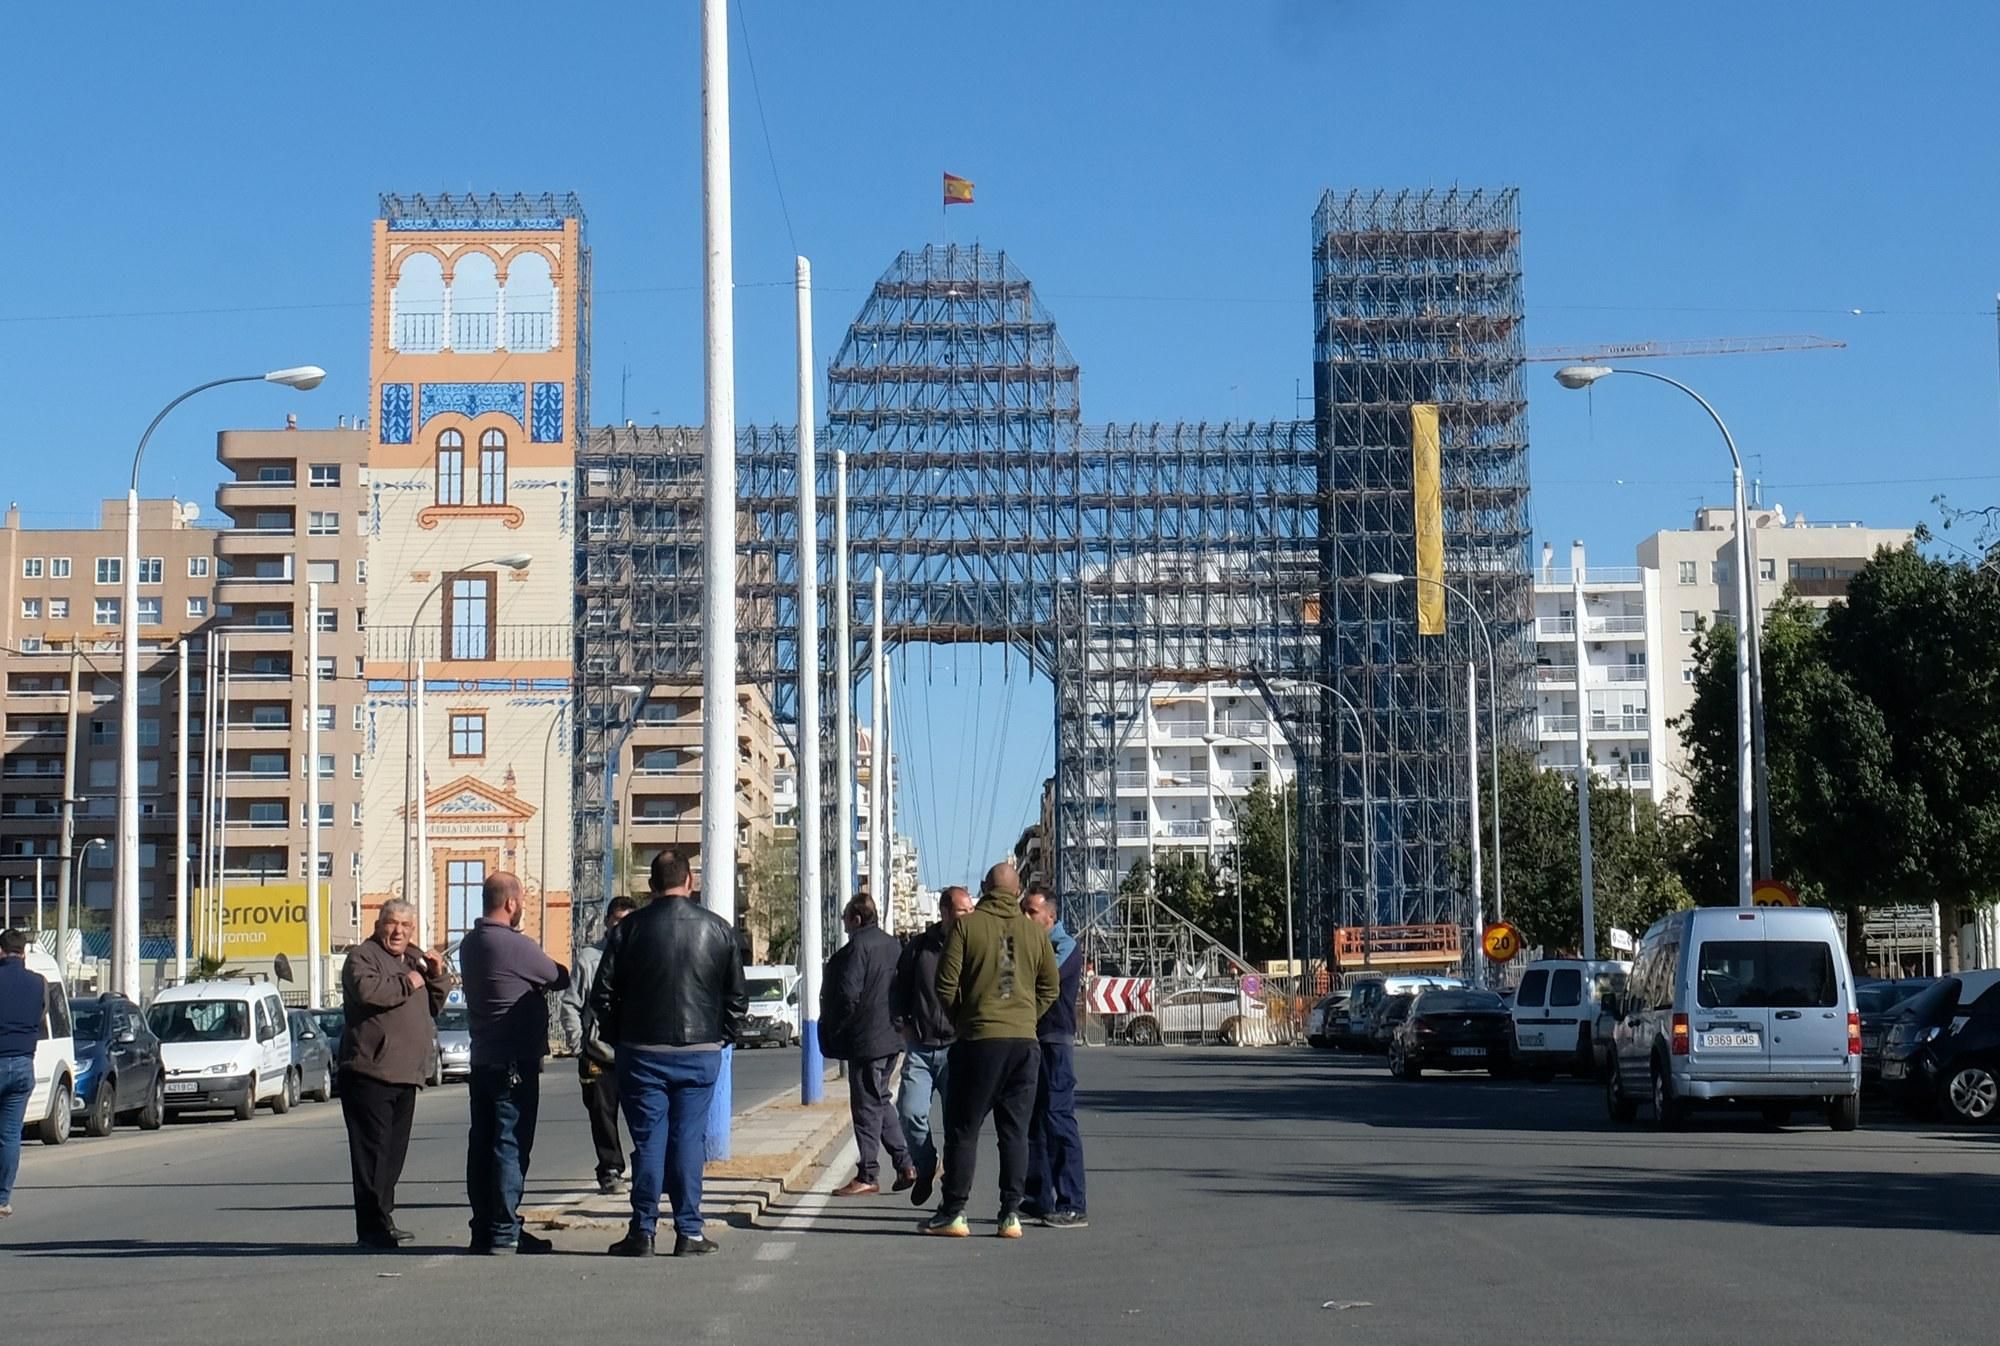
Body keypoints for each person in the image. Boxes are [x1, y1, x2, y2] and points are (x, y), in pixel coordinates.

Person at [591, 851, 747, 1258]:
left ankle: (642, 1231)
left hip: (642, 1051)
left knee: (648, 1142)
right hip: (700, 1051)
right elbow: (736, 997)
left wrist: (619, 1036)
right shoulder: (718, 930)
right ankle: (689, 1231)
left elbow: (601, 995)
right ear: (690, 881)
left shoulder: (628, 930)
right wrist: (723, 1036)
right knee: (688, 1141)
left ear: (651, 885)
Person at [922, 862, 1059, 1239]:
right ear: (1017, 893)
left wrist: (963, 1020)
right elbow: (1051, 987)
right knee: (1014, 1132)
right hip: (1025, 1044)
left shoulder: (967, 927)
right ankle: (1010, 1214)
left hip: (979, 1042)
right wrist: (1027, 1016)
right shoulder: (1034, 934)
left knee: (964, 1129)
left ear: (985, 888)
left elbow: (945, 985)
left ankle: (954, 1211)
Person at [459, 871, 569, 1254]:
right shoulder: (511, 944)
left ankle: (484, 1227)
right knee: (510, 1144)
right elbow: (559, 977)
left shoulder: (471, 943)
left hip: (484, 1058)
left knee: (483, 1143)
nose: (521, 907)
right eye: (520, 900)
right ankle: (505, 1230)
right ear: (510, 903)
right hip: (514, 1064)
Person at [338, 900, 450, 1250]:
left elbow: (435, 1003)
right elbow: (372, 992)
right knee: (372, 1155)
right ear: (378, 924)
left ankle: (384, 1219)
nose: (398, 931)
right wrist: (412, 979)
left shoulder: (414, 958)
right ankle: (371, 1229)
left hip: (406, 1074)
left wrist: (436, 974)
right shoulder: (362, 957)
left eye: (405, 925)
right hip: (370, 1073)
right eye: (391, 923)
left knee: (392, 1155)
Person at [821, 894, 916, 1198]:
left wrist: (838, 1028)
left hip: (866, 1041)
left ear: (857, 919)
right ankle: (905, 1164)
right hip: (891, 1037)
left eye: (846, 916)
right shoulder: (893, 945)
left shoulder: (856, 949)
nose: (843, 922)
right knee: (879, 1100)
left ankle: (868, 1173)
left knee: (865, 1107)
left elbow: (848, 995)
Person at [892, 885, 974, 1206]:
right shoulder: (918, 949)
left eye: (971, 910)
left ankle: (952, 1196)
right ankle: (926, 1165)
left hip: (959, 1050)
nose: (968, 916)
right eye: (962, 911)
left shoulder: (974, 947)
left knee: (958, 1125)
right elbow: (897, 994)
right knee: (910, 1111)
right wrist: (906, 1028)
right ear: (944, 912)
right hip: (922, 1049)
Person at [1021, 883, 1088, 1229]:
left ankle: (1073, 1202)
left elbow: (1040, 979)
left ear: (1050, 915)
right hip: (1032, 1038)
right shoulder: (1031, 944)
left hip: (1054, 1040)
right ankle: (1037, 1197)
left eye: (1031, 912)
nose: (1025, 917)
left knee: (1059, 1118)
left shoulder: (1064, 947)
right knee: (1034, 1120)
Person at [562, 895, 638, 1195]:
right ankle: (610, 1169)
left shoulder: (644, 956)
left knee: (644, 1115)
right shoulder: (589, 959)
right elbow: (570, 1004)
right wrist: (579, 1043)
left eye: (628, 920)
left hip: (635, 1052)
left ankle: (647, 1167)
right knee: (602, 1115)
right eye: (617, 920)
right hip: (599, 1054)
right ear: (608, 921)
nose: (621, 926)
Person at [0, 928, 46, 1220]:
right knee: (9, 1135)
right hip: (23, 1065)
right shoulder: (39, 983)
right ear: (24, 953)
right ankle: (2, 1198)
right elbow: (41, 1016)